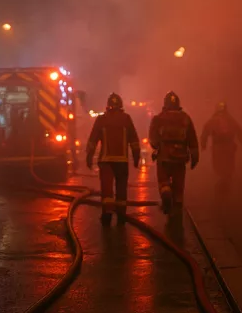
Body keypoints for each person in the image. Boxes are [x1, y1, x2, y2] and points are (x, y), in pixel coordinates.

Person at [85, 93, 141, 225]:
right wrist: (136, 155)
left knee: (107, 188)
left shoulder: (101, 119)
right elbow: (134, 139)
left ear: (108, 106)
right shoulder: (126, 119)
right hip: (122, 161)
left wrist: (89, 155)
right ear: (120, 105)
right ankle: (121, 214)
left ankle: (107, 214)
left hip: (106, 161)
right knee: (121, 188)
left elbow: (93, 139)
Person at [148, 91, 199, 216]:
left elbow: (153, 138)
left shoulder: (159, 118)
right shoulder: (186, 118)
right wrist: (194, 157)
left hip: (164, 156)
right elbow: (192, 139)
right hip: (180, 157)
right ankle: (177, 207)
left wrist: (156, 146)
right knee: (179, 184)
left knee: (163, 180)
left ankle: (165, 192)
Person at [201, 101, 242, 197]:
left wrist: (203, 144)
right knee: (229, 165)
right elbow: (239, 132)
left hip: (218, 147)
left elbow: (205, 132)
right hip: (229, 147)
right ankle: (225, 181)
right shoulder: (230, 120)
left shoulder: (213, 120)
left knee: (218, 165)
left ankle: (223, 181)